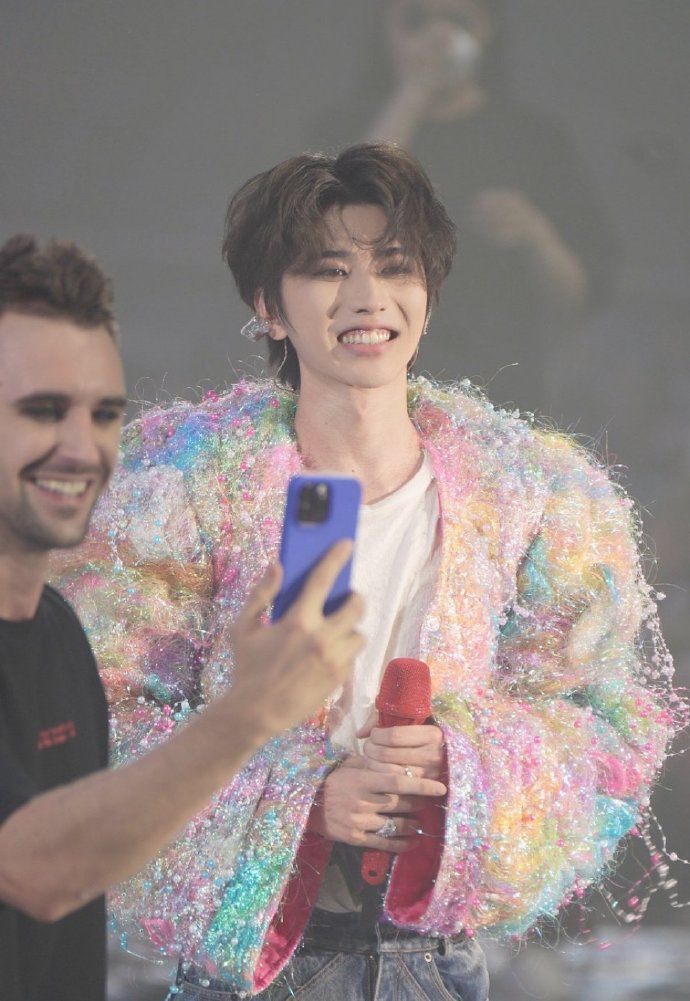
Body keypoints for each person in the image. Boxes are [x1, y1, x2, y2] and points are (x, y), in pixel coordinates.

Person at [55, 143, 680, 1001]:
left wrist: (460, 765)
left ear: (428, 293)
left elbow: (607, 726)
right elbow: (99, 723)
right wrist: (303, 802)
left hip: (437, 961)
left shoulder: (537, 493)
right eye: (327, 270)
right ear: (269, 306)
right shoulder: (176, 487)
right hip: (253, 965)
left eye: (394, 266)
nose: (366, 297)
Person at [0, 234, 364, 1001]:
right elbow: (32, 867)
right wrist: (249, 713)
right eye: (42, 411)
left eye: (104, 413)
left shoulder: (58, 633)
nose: (82, 447)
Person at [309, 0, 618, 414]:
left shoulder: (534, 138)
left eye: (457, 21)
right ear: (386, 30)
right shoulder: (341, 128)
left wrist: (536, 235)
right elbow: (333, 221)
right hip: (369, 374)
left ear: (488, 31)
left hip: (497, 382)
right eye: (417, 21)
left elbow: (582, 294)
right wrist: (415, 91)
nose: (437, 37)